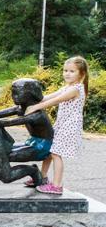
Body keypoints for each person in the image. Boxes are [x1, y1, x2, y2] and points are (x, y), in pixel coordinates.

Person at [23, 56, 88, 195]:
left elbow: (56, 100)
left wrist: (35, 107)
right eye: (65, 70)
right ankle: (42, 177)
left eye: (72, 71)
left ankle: (57, 186)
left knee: (56, 154)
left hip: (69, 126)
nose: (67, 74)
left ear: (81, 74)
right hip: (62, 124)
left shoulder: (76, 89)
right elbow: (47, 97)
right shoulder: (67, 87)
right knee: (50, 150)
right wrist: (31, 100)